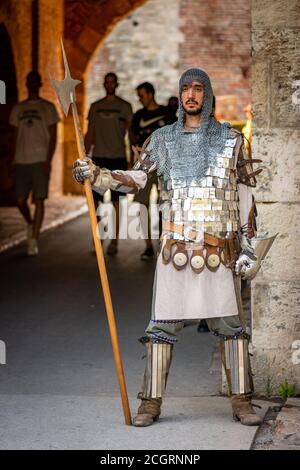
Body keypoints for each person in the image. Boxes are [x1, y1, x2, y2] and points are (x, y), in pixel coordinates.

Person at [72, 68, 263, 428]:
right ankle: (150, 403)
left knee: (232, 328)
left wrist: (249, 248)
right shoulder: (162, 139)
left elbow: (245, 197)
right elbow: (136, 178)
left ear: (207, 95)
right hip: (176, 250)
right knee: (161, 329)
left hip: (218, 252)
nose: (191, 94)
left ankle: (241, 401)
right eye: (186, 88)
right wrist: (97, 173)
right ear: (180, 94)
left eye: (198, 88)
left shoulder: (230, 140)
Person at [9, 71, 59, 255]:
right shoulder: (18, 109)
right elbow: (14, 136)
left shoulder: (48, 107)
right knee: (19, 199)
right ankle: (30, 224)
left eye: (35, 81)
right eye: (29, 80)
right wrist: (12, 160)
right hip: (21, 160)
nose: (32, 83)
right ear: (26, 83)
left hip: (40, 160)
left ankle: (34, 239)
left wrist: (48, 159)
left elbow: (54, 136)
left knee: (39, 199)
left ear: (39, 83)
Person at [85, 72, 133, 255]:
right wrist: (85, 155)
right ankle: (98, 237)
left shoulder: (125, 107)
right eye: (107, 82)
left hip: (118, 158)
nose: (110, 84)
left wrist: (130, 160)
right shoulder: (95, 107)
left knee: (116, 203)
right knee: (95, 202)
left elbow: (131, 134)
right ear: (104, 84)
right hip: (99, 158)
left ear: (117, 84)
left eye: (113, 82)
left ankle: (114, 242)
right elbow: (90, 133)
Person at [131, 82, 176, 260]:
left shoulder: (167, 113)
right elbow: (134, 141)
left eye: (141, 95)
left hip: (165, 164)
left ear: (150, 94)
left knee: (163, 204)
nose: (139, 98)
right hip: (144, 165)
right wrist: (132, 164)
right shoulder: (138, 116)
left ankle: (162, 241)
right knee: (141, 205)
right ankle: (148, 245)